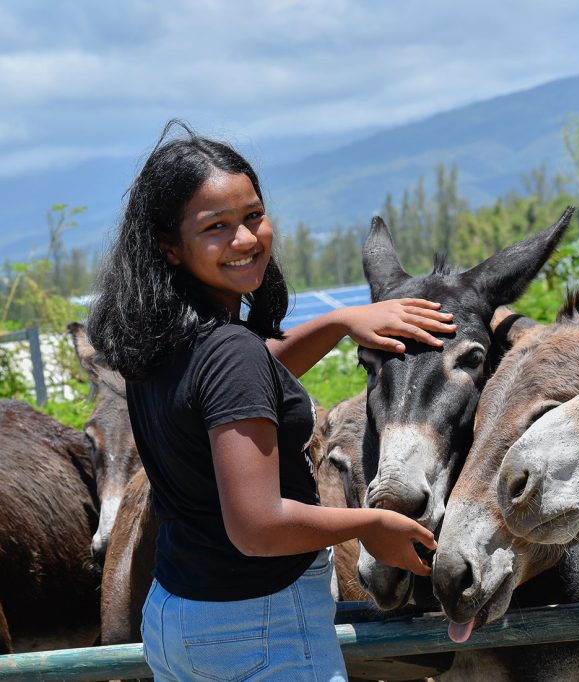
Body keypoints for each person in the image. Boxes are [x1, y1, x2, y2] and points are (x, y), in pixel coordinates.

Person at [87, 120, 450, 681]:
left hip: (179, 614)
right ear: (171, 248)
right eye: (216, 227)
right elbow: (256, 526)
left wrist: (336, 323)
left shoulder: (158, 342)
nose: (245, 239)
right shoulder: (231, 352)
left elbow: (241, 386)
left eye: (252, 216)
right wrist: (367, 522)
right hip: (259, 626)